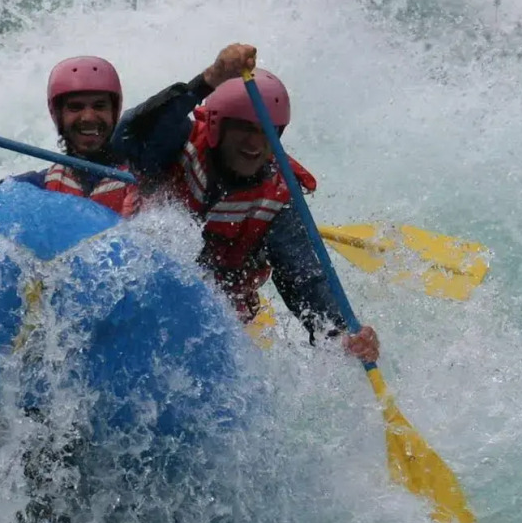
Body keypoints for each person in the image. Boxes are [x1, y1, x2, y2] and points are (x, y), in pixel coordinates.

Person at [111, 42, 379, 361]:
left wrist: (343, 334)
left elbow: (304, 282)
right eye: (243, 129)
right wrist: (210, 79)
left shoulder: (276, 200)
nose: (255, 143)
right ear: (215, 126)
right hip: (131, 292)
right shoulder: (176, 144)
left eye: (265, 131)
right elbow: (126, 136)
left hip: (209, 327)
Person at [0, 56, 135, 213]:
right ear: (58, 115)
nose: (88, 117)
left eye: (99, 106)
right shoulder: (35, 187)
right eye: (75, 107)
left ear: (114, 111)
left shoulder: (145, 183)